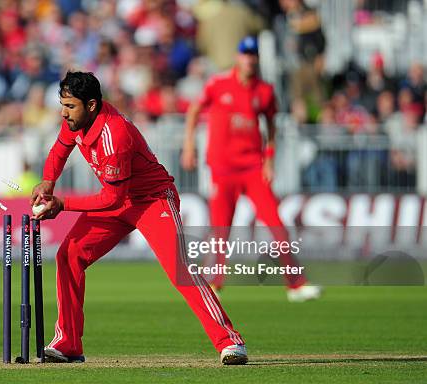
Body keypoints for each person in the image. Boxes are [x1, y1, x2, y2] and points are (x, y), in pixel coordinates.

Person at [31, 71, 248, 365]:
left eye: (70, 106)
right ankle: (68, 344)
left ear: (91, 105)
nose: (63, 113)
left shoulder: (114, 134)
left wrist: (62, 204)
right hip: (119, 198)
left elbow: (111, 199)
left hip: (152, 200)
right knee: (68, 255)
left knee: (179, 269)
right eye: (63, 105)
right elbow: (59, 151)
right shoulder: (75, 121)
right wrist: (48, 182)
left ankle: (230, 341)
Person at [180, 36, 321, 302]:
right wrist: (189, 146)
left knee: (276, 223)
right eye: (245, 53)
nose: (249, 58)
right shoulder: (218, 84)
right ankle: (214, 284)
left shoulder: (264, 91)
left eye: (253, 54)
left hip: (253, 167)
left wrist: (269, 158)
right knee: (221, 227)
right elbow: (194, 111)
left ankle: (296, 285)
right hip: (222, 168)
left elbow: (271, 126)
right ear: (238, 57)